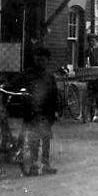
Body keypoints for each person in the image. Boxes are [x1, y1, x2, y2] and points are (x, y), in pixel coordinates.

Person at [19, 46, 59, 176]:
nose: (40, 62)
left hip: (45, 113)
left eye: (43, 60)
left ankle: (45, 164)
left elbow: (54, 96)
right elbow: (19, 86)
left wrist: (55, 111)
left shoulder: (49, 77)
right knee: (34, 140)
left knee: (46, 139)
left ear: (47, 61)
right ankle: (34, 165)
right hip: (32, 112)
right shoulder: (28, 74)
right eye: (38, 59)